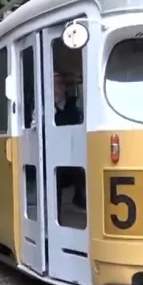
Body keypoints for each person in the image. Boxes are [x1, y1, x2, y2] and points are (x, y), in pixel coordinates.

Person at [52, 74, 86, 209]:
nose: (55, 90)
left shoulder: (74, 105)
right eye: (53, 86)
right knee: (54, 177)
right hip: (57, 155)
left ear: (64, 87)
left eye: (58, 85)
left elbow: (72, 122)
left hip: (73, 151)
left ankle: (79, 197)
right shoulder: (48, 108)